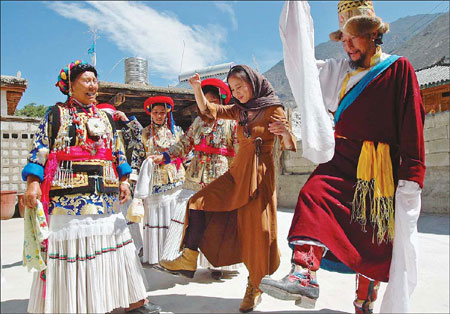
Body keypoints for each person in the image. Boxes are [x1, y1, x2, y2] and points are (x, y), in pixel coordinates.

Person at [259, 2, 426, 314]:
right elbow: (305, 70)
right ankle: (304, 276)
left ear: (374, 34)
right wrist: (295, 21)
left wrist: (412, 178)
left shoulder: (397, 68)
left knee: (373, 235)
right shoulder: (340, 74)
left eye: (354, 39)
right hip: (342, 157)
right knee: (313, 195)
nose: (347, 47)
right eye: (343, 40)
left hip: (379, 166)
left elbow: (411, 123)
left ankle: (364, 303)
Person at [22, 60, 161, 313]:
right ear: (71, 86)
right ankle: (73, 304)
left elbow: (117, 152)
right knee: (74, 247)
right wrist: (33, 184)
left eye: (94, 81)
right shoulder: (55, 114)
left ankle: (131, 300)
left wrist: (123, 180)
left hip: (105, 195)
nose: (93, 85)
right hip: (67, 197)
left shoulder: (105, 119)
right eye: (86, 80)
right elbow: (39, 151)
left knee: (117, 245)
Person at [158, 66, 297, 313]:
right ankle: (189, 256)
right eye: (233, 89)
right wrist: (196, 89)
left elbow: (288, 144)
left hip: (259, 175)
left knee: (258, 232)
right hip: (236, 173)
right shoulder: (239, 111)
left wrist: (285, 132)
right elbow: (210, 110)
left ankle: (254, 286)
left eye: (240, 87)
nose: (237, 93)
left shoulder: (272, 108)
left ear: (254, 84)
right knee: (198, 202)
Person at [151, 78, 240, 280]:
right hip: (194, 176)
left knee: (217, 221)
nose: (206, 106)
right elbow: (184, 143)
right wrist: (165, 157)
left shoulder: (231, 124)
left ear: (221, 102)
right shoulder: (198, 123)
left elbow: (239, 152)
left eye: (210, 102)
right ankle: (181, 258)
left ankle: (217, 263)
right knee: (189, 216)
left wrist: (238, 181)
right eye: (203, 101)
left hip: (219, 179)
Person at [130, 96, 186, 265]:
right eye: (156, 112)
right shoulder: (144, 133)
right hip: (153, 181)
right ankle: (155, 255)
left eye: (162, 112)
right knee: (155, 218)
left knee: (174, 219)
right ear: (150, 114)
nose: (159, 116)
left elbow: (186, 154)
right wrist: (133, 181)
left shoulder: (177, 132)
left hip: (176, 180)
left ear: (167, 112)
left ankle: (173, 255)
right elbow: (137, 157)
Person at [97, 103, 144, 257]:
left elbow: (140, 136)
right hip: (102, 179)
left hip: (123, 178)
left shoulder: (123, 132)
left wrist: (126, 120)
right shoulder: (94, 132)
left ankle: (137, 247)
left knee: (129, 214)